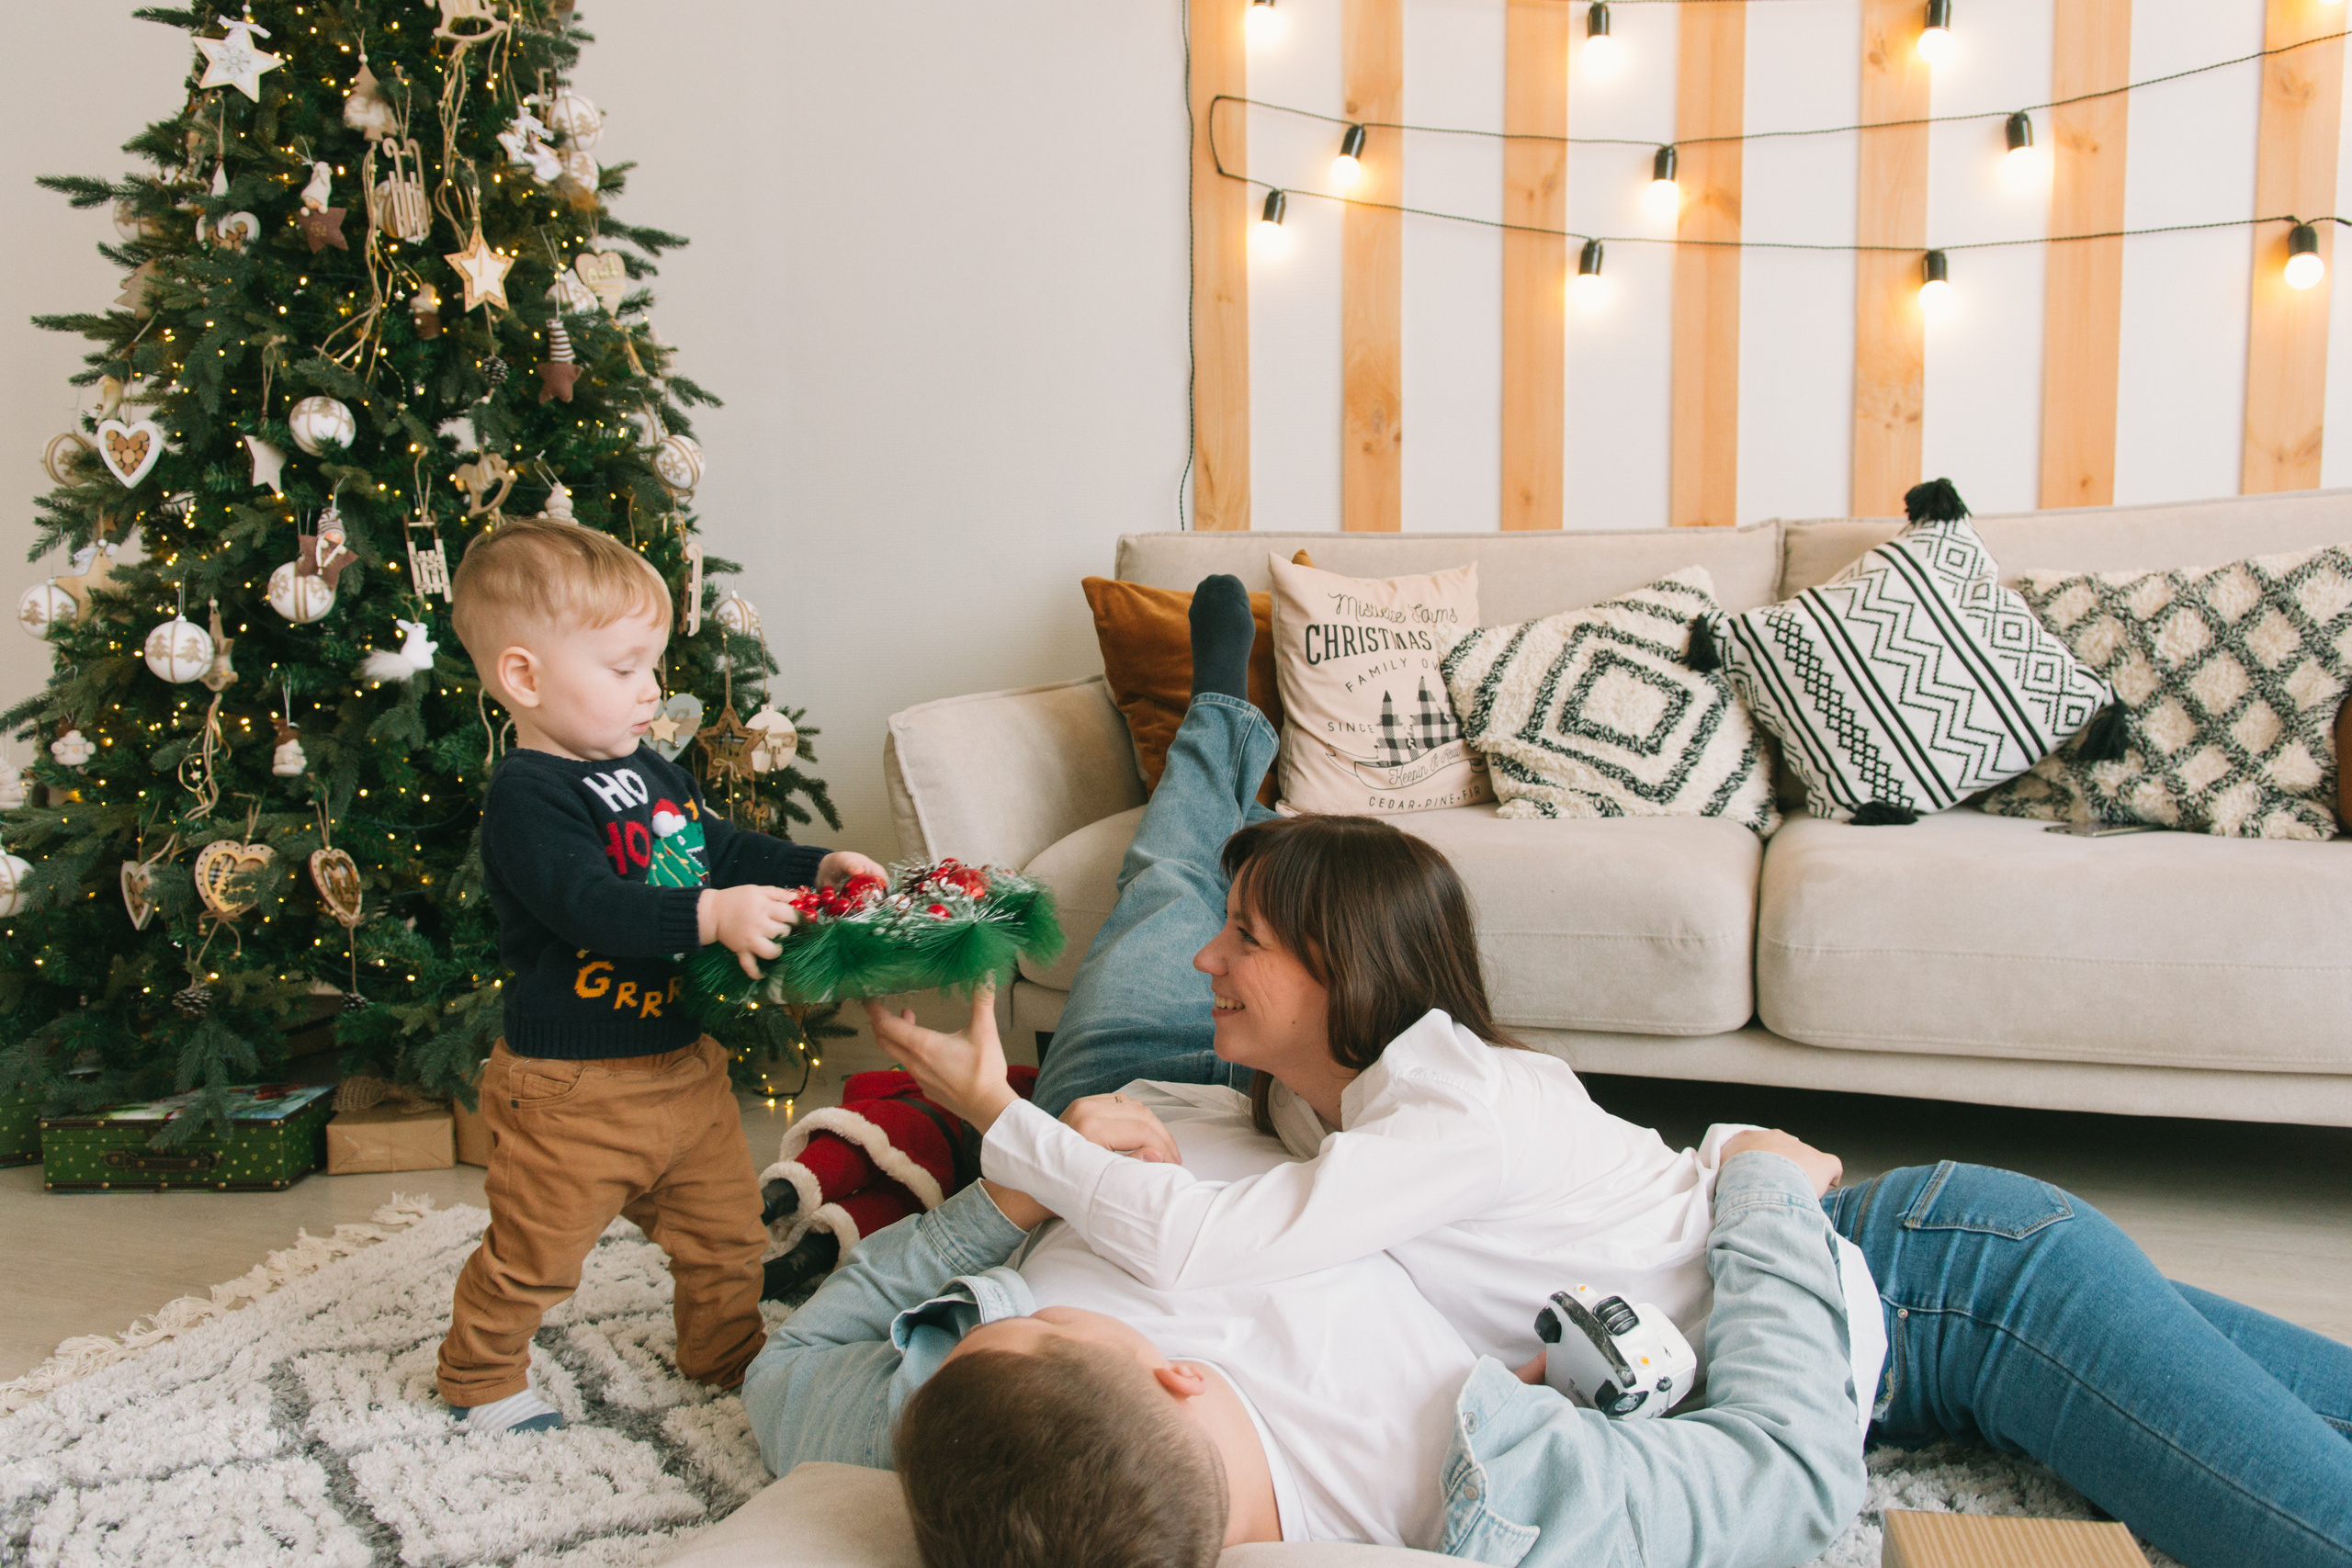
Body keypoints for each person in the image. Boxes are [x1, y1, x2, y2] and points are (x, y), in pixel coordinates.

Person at [869, 574, 2352, 1568]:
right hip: (1906, 1274)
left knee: (2302, 1524)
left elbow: (1222, 1234)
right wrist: (1128, 1120)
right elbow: (1217, 1182)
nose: (1205, 965)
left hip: (1954, 1279)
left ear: (1340, 967)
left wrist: (1001, 1111)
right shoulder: (1316, 1103)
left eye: (1240, 941)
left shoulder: (1446, 1106)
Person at [744, 1077, 1869, 1568]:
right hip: (1305, 1124)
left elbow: (786, 1360)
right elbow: (1790, 1475)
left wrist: (1018, 1195)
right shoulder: (1475, 1488)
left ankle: (1215, 725)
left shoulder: (951, 1439)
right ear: (1176, 1377)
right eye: (1057, 1322)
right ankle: (1221, 719)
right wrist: (1764, 1191)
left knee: (1169, 896)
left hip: (1108, 1111)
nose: (1037, 1306)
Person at [437, 518, 885, 1433]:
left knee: (726, 1240)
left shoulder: (645, 767)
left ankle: (726, 1359)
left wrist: (811, 866)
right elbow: (588, 905)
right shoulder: (530, 797)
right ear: (523, 676)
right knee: (537, 1255)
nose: (651, 692)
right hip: (573, 1091)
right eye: (621, 670)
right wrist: (709, 916)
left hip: (682, 1067)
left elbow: (715, 846)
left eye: (652, 667)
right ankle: (480, 1375)